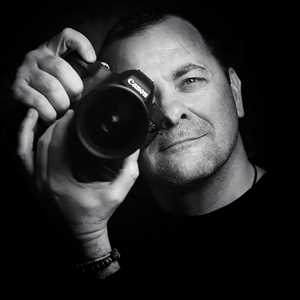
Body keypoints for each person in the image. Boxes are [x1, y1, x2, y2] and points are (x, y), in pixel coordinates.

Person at [10, 5, 284, 295]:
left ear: (236, 92)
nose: (169, 111)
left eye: (190, 81)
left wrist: (94, 252)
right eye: (144, 99)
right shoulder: (89, 214)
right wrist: (28, 105)